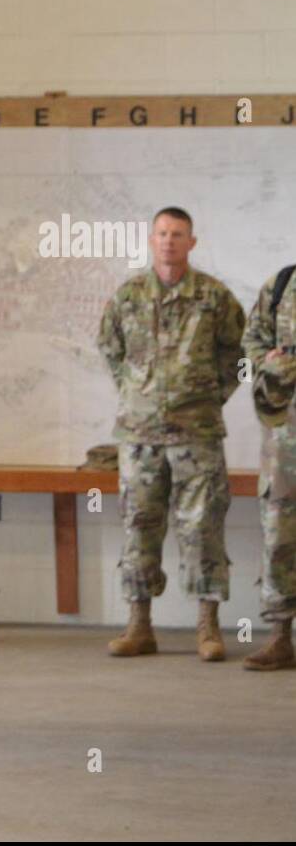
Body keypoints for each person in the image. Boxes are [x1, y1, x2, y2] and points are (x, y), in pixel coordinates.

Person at [96, 207, 245, 662]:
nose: (168, 241)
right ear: (151, 239)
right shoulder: (128, 296)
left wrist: (207, 397)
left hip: (196, 435)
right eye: (161, 233)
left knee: (202, 530)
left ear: (191, 242)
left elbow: (236, 356)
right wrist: (136, 392)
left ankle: (208, 628)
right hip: (139, 438)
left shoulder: (215, 298)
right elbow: (110, 347)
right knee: (139, 528)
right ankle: (139, 626)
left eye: (177, 234)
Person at [240, 266, 296, 670]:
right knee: (280, 534)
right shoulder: (281, 285)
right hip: (284, 437)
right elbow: (251, 341)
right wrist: (268, 361)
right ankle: (280, 637)